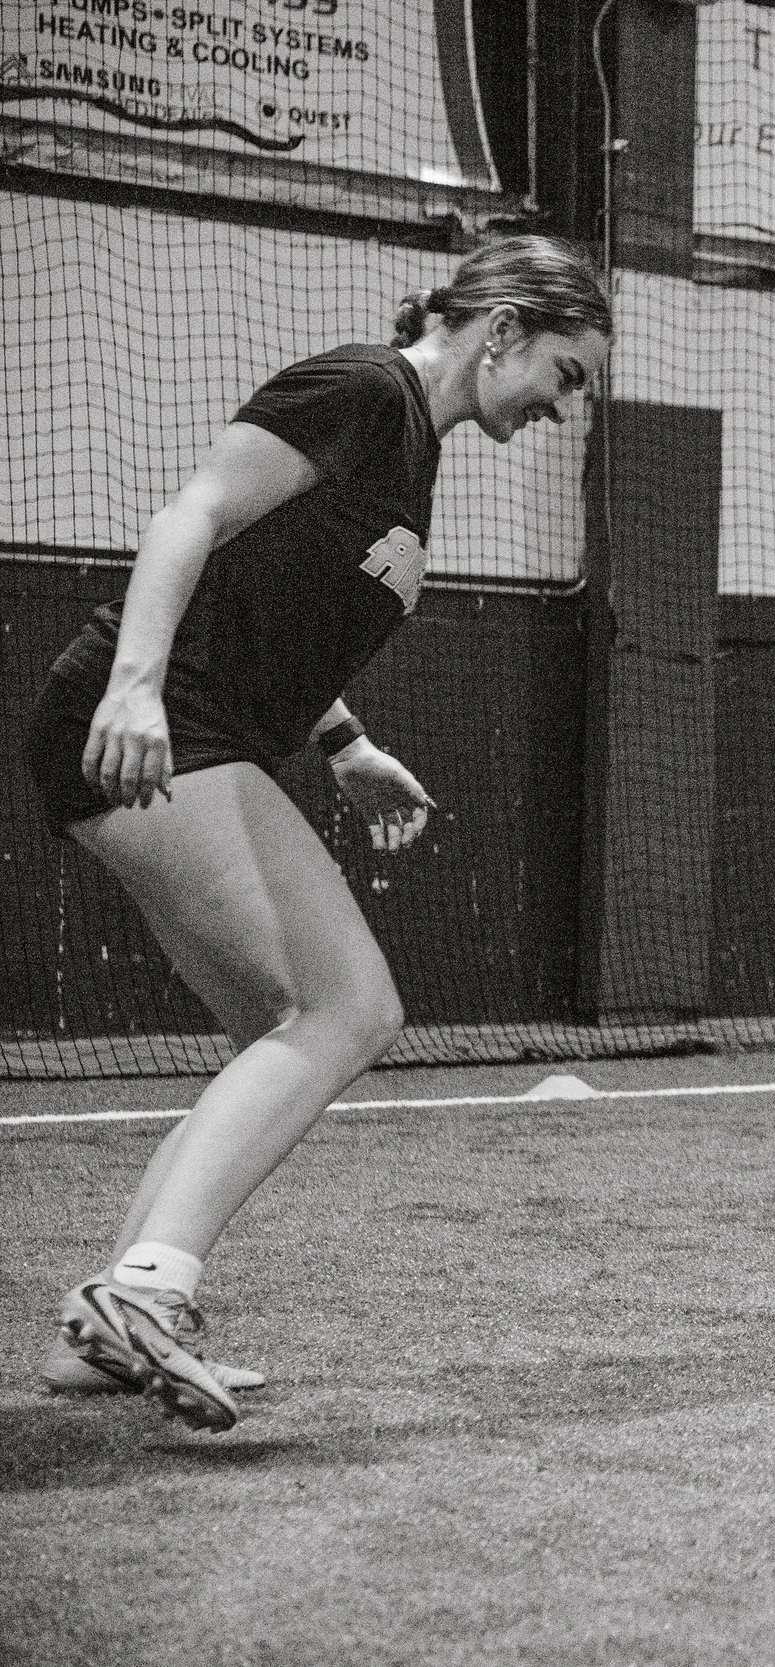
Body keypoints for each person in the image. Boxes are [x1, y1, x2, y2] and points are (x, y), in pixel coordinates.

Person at [26, 236, 613, 1430]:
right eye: (566, 370)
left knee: (277, 1026)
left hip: (203, 726)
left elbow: (275, 597)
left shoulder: (412, 449)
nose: (568, 405)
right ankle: (146, 1289)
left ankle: (106, 1326)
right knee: (351, 1008)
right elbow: (190, 514)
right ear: (501, 328)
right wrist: (133, 686)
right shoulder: (361, 391)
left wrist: (344, 744)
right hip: (157, 723)